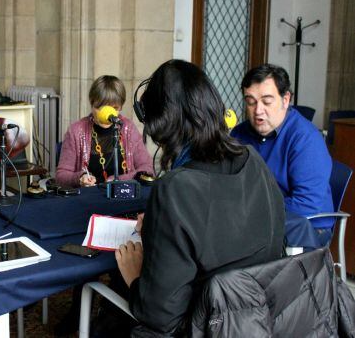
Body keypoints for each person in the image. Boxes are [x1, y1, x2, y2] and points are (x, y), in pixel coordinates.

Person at [114, 60, 285, 335]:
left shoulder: (173, 189)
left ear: (159, 124)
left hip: (206, 326)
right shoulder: (254, 160)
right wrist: (163, 228)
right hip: (262, 320)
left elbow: (161, 317)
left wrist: (135, 277)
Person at [231, 64, 334, 247]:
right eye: (251, 101)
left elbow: (306, 204)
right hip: (256, 218)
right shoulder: (240, 134)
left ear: (285, 100)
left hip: (306, 226)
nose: (258, 110)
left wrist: (251, 210)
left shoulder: (305, 139)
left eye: (267, 101)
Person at [56, 75, 153, 187]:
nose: (106, 114)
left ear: (120, 107)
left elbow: (147, 169)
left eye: (114, 108)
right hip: (88, 198)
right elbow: (61, 176)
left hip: (123, 196)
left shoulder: (128, 128)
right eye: (100, 108)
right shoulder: (76, 131)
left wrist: (118, 180)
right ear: (92, 104)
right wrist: (80, 178)